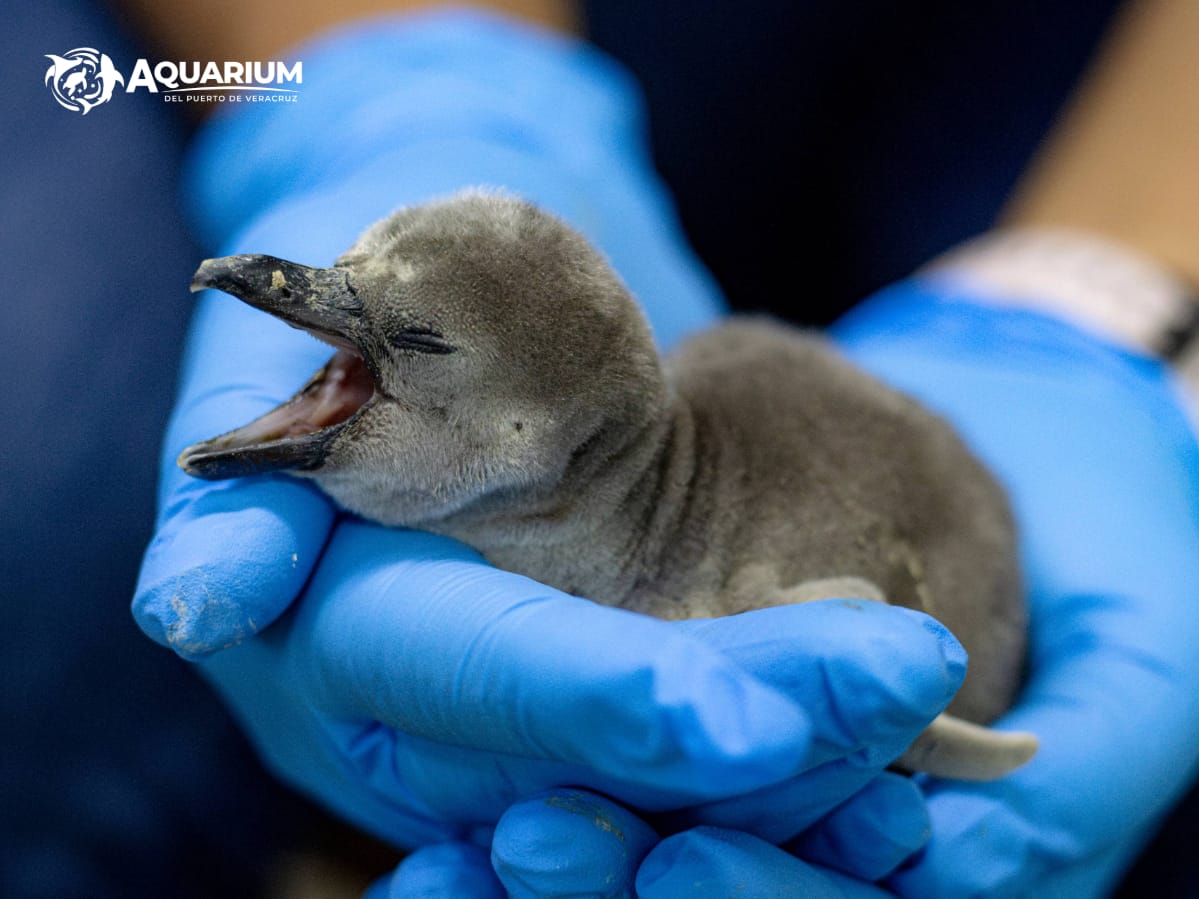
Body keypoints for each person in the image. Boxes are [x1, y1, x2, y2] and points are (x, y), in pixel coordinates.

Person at [103, 0, 1199, 894]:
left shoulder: (735, 592)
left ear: (528, 439)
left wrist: (1093, 300)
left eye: (417, 340)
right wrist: (406, 84)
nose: (278, 283)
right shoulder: (579, 430)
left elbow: (916, 686)